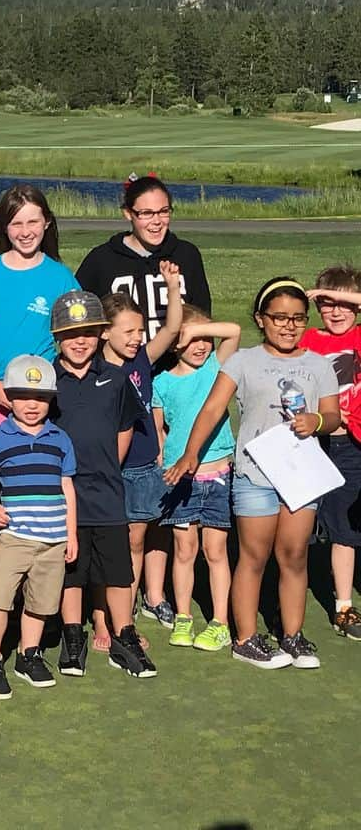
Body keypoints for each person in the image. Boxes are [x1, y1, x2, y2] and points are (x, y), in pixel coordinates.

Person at [167, 277, 340, 669]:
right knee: (254, 556)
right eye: (279, 317)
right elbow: (213, 409)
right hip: (254, 474)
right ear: (261, 319)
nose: (288, 325)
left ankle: (292, 636)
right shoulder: (243, 360)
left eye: (297, 318)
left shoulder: (317, 365)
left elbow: (332, 416)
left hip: (301, 475)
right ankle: (245, 638)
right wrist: (190, 453)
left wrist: (315, 421)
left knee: (294, 555)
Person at [50, 291, 151, 680]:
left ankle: (124, 634)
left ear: (101, 334)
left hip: (107, 490)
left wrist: (109, 463)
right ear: (57, 336)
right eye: (71, 334)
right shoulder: (47, 377)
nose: (80, 341)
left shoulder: (115, 378)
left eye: (89, 333)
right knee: (71, 568)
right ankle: (73, 637)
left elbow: (124, 427)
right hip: (63, 494)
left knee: (117, 569)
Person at [0, 355, 77, 699]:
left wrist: (71, 534)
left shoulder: (60, 438)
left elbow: (67, 487)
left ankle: (28, 654)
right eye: (21, 397)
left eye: (40, 398)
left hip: (53, 538)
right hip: (15, 537)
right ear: (8, 398)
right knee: (0, 600)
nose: (31, 405)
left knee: (41, 603)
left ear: (50, 400)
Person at [97, 271, 182, 646]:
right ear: (104, 332)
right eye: (128, 331)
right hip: (111, 472)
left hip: (145, 467)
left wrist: (173, 286)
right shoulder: (97, 372)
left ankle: (125, 616)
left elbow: (173, 326)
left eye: (140, 330)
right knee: (112, 547)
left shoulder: (142, 360)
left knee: (136, 544)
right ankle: (107, 620)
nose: (138, 338)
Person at [152, 304, 241, 651]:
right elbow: (159, 430)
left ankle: (220, 622)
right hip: (181, 478)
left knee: (215, 550)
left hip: (218, 474)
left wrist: (197, 329)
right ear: (174, 342)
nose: (202, 345)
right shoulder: (161, 382)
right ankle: (184, 616)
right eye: (192, 339)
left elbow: (233, 331)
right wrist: (163, 466)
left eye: (206, 338)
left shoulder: (218, 368)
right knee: (184, 550)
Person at [0, 185, 79, 412]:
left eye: (32, 222)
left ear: (46, 222)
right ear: (5, 228)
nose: (25, 232)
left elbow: (77, 336)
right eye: (16, 224)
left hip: (39, 394)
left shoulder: (60, 277)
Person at [300, 266, 361, 640]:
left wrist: (343, 295)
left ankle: (342, 605)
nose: (336, 312)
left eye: (344, 304)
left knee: (344, 527)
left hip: (351, 444)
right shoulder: (308, 339)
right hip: (311, 442)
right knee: (302, 521)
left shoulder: (358, 336)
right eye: (326, 304)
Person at [76, 174, 211, 341]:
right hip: (119, 365)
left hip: (175, 364)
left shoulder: (186, 255)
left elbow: (203, 318)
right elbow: (81, 320)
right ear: (128, 213)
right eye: (146, 213)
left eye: (163, 212)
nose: (157, 221)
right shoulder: (101, 259)